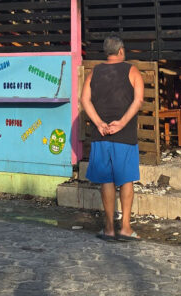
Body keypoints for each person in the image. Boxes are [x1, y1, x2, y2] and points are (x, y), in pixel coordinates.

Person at [80, 35, 144, 241]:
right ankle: (125, 228)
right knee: (125, 180)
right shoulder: (131, 70)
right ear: (121, 51)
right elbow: (138, 100)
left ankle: (108, 228)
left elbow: (84, 100)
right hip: (124, 135)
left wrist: (98, 123)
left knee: (106, 180)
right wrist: (123, 122)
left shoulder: (94, 72)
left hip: (101, 134)